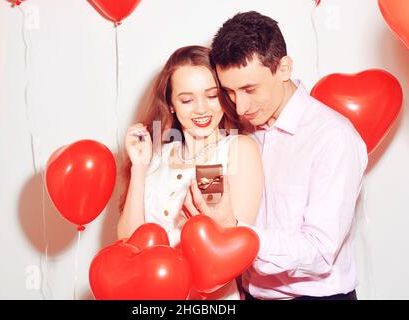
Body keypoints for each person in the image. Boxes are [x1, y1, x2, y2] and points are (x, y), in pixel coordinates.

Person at [183, 11, 368, 300]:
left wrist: (235, 234)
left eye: (249, 89)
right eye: (229, 92)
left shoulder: (333, 137)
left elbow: (319, 251)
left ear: (284, 68)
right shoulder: (241, 130)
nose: (240, 106)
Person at [117, 45, 264, 300]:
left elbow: (234, 246)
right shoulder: (157, 154)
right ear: (171, 105)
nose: (201, 109)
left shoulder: (238, 148)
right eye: (187, 99)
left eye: (211, 95)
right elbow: (129, 242)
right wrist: (139, 167)